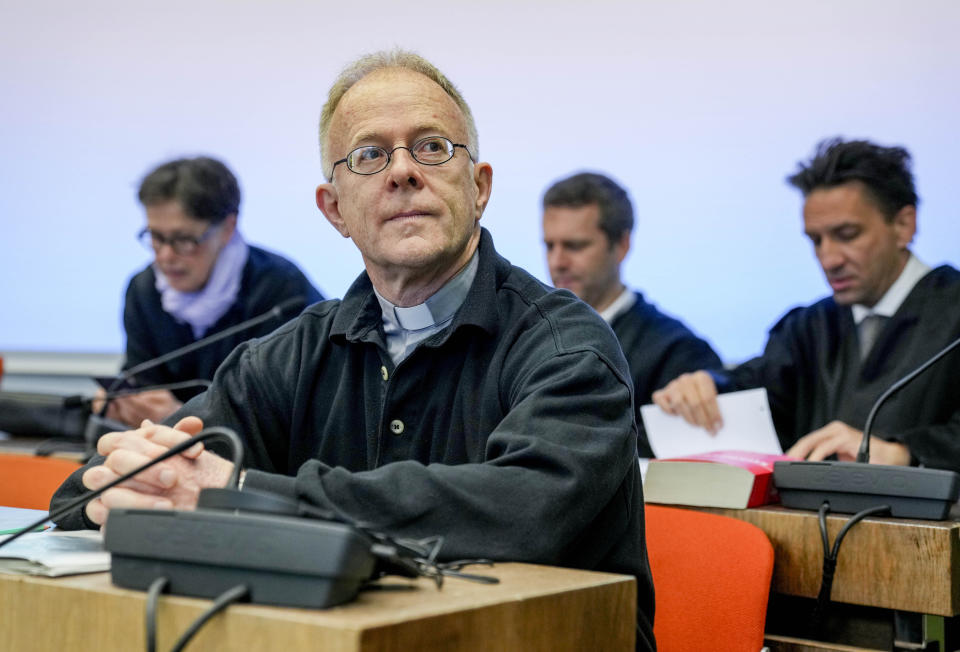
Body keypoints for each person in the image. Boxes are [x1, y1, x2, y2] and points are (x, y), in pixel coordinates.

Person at [51, 51, 656, 650]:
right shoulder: (291, 354)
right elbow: (79, 500)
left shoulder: (566, 347)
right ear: (335, 209)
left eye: (432, 147)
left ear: (479, 186)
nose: (403, 171)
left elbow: (524, 511)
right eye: (370, 155)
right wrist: (135, 482)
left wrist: (236, 495)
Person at [653, 138, 960, 471]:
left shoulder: (952, 313)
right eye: (816, 240)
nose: (828, 259)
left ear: (903, 225)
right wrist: (708, 386)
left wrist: (903, 454)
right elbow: (764, 392)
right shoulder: (809, 327)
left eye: (847, 234)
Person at [102, 156, 322, 426]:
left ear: (228, 228)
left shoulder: (283, 291)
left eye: (184, 240)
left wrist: (185, 419)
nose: (166, 256)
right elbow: (142, 381)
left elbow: (288, 416)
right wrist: (123, 404)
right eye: (156, 238)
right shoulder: (143, 290)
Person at [542, 171, 722, 457]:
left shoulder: (678, 352)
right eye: (549, 246)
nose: (557, 262)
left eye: (575, 246)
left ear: (622, 245)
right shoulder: (530, 337)